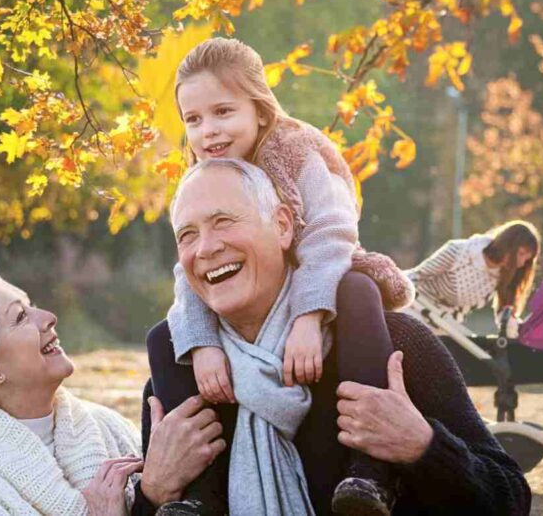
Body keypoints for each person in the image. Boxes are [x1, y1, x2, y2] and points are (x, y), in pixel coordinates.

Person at [136, 158, 532, 516]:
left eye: (224, 221)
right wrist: (152, 493)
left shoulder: (394, 347)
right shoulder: (179, 380)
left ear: (283, 226)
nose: (206, 247)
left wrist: (423, 448)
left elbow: (511, 498)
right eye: (187, 235)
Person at [166, 37, 413, 514]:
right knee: (164, 339)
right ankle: (200, 493)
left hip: (319, 280)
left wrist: (309, 316)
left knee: (358, 290)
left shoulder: (297, 150)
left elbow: (330, 232)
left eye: (222, 112)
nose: (208, 132)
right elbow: (190, 266)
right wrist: (201, 344)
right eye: (193, 121)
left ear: (259, 110)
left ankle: (370, 471)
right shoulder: (200, 175)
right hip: (250, 304)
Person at [0, 265, 227, 515]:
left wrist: (150, 496)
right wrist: (154, 492)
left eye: (31, 306)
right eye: (20, 317)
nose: (48, 317)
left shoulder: (107, 426)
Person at [407, 220, 541, 328]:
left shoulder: (503, 275)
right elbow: (416, 275)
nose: (522, 263)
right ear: (507, 245)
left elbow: (504, 313)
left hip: (446, 323)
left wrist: (512, 327)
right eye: (521, 254)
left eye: (527, 259)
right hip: (416, 307)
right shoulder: (457, 252)